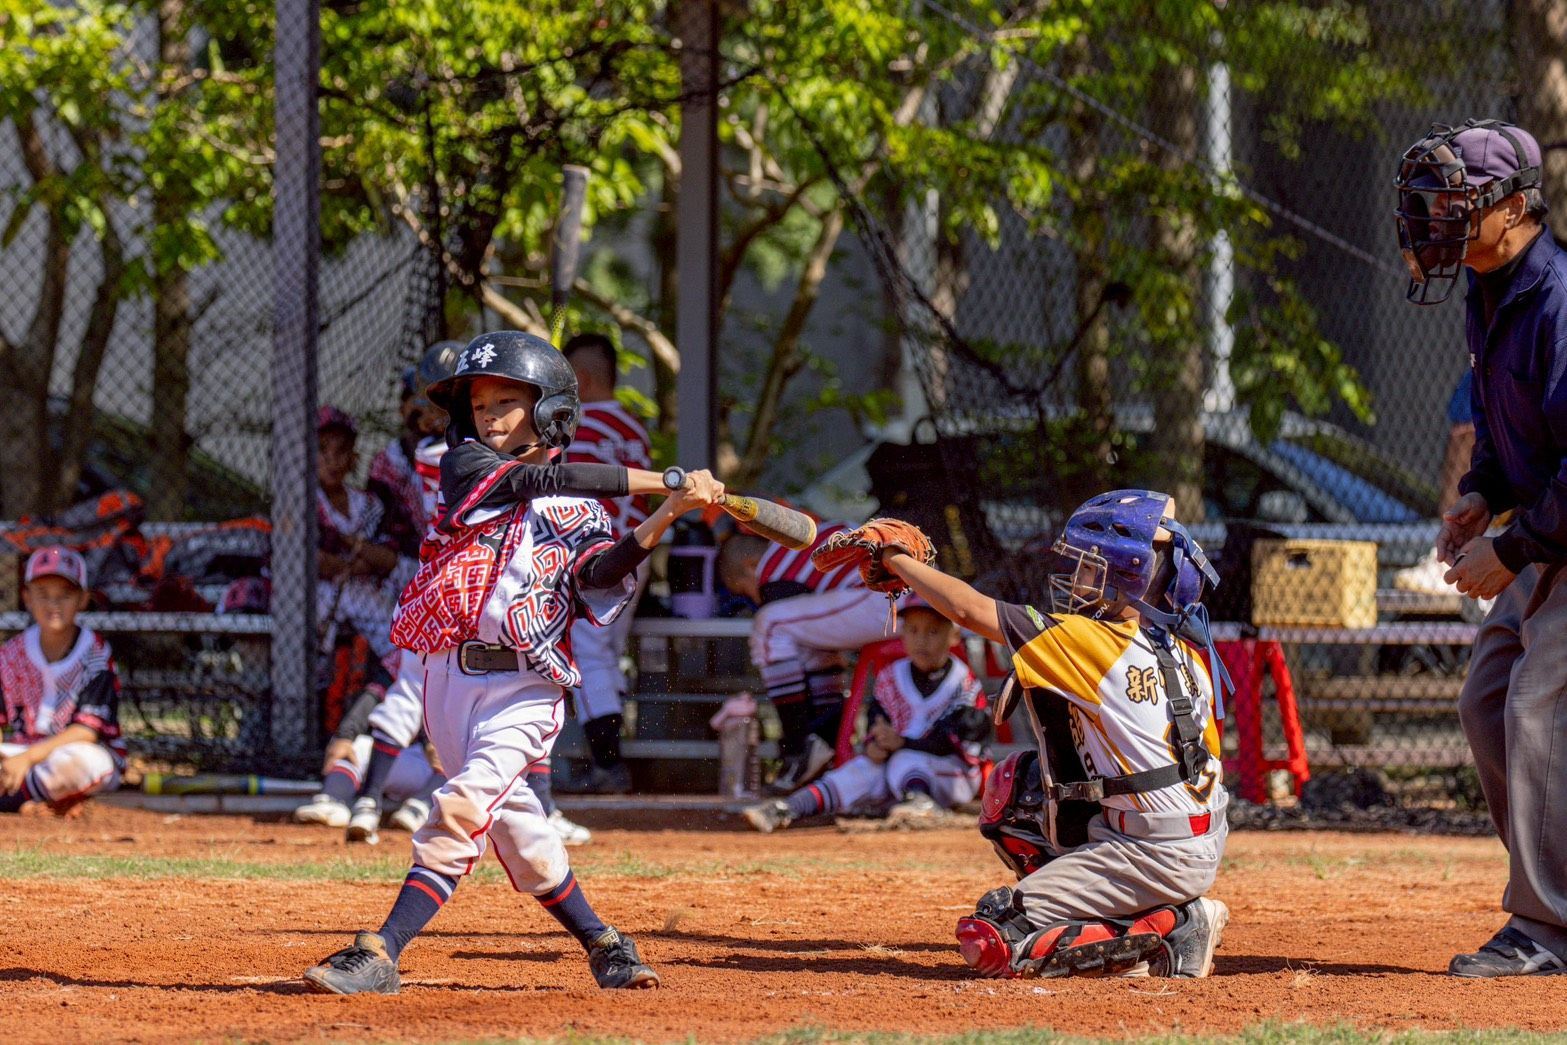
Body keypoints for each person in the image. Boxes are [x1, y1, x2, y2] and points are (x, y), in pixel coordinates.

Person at [303, 330, 726, 994]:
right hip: (445, 676)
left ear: (551, 409)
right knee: (524, 838)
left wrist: (665, 515)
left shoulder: (580, 510)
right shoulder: (464, 466)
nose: (489, 415)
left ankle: (381, 947)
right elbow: (542, 477)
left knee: (466, 800)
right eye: (480, 403)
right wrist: (667, 479)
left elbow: (598, 575)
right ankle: (605, 941)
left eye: (508, 400)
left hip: (526, 685)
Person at [821, 493, 1230, 979]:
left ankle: (1173, 929)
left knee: (991, 938)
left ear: (1127, 577)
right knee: (1017, 791)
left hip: (1149, 853)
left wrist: (897, 560)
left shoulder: (1091, 639)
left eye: (1089, 567)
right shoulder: (1183, 648)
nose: (1075, 579)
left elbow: (971, 612)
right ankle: (1144, 908)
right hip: (1194, 839)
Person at [1397, 118, 1567, 977]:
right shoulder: (1487, 289)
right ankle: (1556, 890)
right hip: (1544, 530)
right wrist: (1477, 498)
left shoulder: (1559, 298)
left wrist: (1514, 547)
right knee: (1485, 701)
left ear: (1512, 207)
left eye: (1453, 201)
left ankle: (1545, 927)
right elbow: (1510, 437)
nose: (1433, 218)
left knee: (1536, 707)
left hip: (1559, 533)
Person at [336, 345, 592, 847]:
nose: (488, 414)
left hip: (465, 580)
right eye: (475, 403)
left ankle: (390, 801)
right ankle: (392, 800)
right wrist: (539, 431)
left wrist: (539, 423)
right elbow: (532, 478)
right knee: (430, 695)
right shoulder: (454, 457)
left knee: (509, 696)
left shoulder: (448, 451)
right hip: (448, 585)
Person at [742, 594, 989, 830]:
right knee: (860, 770)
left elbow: (955, 740)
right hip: (897, 767)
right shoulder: (891, 676)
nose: (921, 640)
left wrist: (901, 743)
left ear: (954, 635)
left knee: (906, 761)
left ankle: (920, 802)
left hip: (953, 774)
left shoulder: (963, 682)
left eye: (933, 631)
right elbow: (875, 721)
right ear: (901, 632)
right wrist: (875, 744)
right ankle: (789, 808)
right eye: (913, 630)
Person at [718, 522, 900, 793]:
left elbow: (774, 617)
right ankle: (824, 743)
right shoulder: (793, 546)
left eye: (745, 589)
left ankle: (798, 749)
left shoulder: (771, 567)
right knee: (805, 641)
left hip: (892, 596)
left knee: (769, 624)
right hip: (902, 593)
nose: (754, 597)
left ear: (750, 565)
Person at [557, 332, 653, 795]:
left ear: (583, 378)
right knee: (606, 656)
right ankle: (609, 760)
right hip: (636, 553)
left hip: (600, 558)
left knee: (587, 653)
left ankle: (608, 763)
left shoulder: (582, 428)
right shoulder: (634, 427)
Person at [0, 547, 126, 816]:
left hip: (74, 753)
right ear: (27, 598)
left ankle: (12, 800)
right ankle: (34, 797)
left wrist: (27, 759)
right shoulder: (10, 654)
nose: (53, 604)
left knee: (79, 763)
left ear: (83, 599)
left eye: (65, 595)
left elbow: (86, 733)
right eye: (43, 594)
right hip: (20, 753)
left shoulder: (95, 655)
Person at [293, 683, 444, 836]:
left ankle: (419, 808)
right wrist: (345, 735)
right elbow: (374, 694)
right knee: (355, 746)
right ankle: (332, 801)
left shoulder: (458, 673)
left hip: (428, 767)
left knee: (458, 759)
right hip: (392, 755)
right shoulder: (404, 671)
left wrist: (432, 742)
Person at [316, 405, 402, 664]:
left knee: (398, 636)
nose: (332, 460)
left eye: (341, 450)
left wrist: (351, 554)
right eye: (322, 450)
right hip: (317, 595)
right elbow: (311, 560)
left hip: (366, 592)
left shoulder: (368, 503)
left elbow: (389, 559)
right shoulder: (300, 501)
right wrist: (358, 559)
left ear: (353, 456)